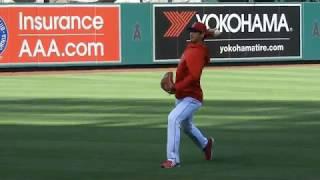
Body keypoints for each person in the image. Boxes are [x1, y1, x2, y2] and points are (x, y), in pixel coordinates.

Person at [160, 22, 215, 169]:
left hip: (192, 97)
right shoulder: (195, 45)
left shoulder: (198, 52)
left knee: (173, 118)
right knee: (187, 126)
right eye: (191, 31)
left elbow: (194, 76)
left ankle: (173, 159)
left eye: (195, 32)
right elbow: (207, 34)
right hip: (183, 95)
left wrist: (177, 87)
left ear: (201, 35)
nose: (192, 33)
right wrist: (208, 33)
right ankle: (206, 144)